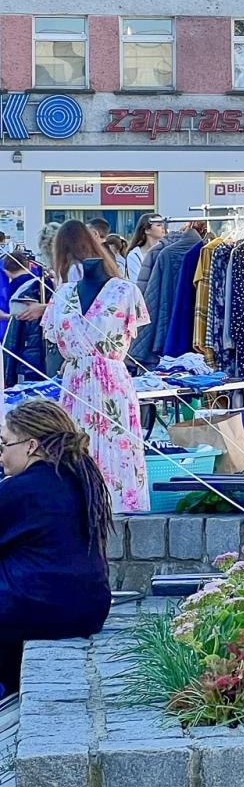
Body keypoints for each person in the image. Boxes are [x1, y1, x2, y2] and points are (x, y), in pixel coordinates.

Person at [0, 399, 114, 696]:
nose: (1, 457)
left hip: (36, 608)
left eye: (4, 445)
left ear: (31, 445)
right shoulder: (82, 480)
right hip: (89, 609)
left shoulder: (19, 490)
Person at [35, 222, 151, 512]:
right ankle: (79, 508)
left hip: (113, 381)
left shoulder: (126, 291)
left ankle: (124, 509)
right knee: (76, 446)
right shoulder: (61, 295)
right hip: (74, 382)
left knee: (118, 447)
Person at [0, 252, 46, 388]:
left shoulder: (18, 289)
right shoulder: (42, 282)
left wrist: (5, 316)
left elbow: (22, 317)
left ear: (6, 271)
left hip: (25, 348)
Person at [124, 214, 165, 285]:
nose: (163, 228)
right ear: (147, 230)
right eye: (159, 225)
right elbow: (136, 282)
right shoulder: (134, 255)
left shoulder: (166, 251)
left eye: (163, 225)